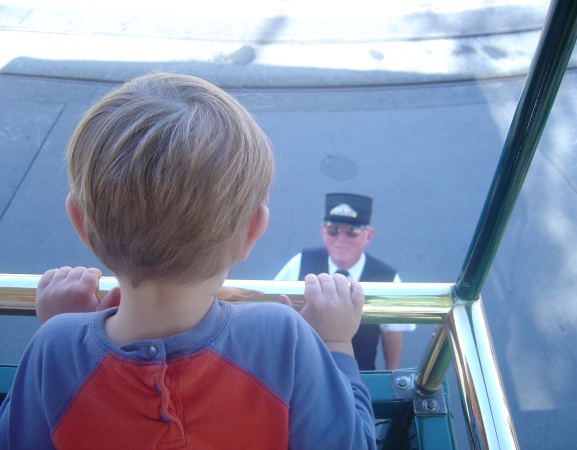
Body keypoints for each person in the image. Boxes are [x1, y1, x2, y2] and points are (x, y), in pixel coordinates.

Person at [0, 73, 376, 449]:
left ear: (80, 223)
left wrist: (70, 336)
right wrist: (335, 342)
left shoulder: (54, 349)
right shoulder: (282, 338)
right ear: (251, 231)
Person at [275, 193, 415, 371]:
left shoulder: (387, 277)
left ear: (368, 236)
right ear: (323, 232)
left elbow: (391, 333)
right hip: (304, 371)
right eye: (333, 230)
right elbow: (275, 308)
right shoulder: (301, 262)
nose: (341, 238)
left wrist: (391, 375)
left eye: (352, 231)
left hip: (360, 375)